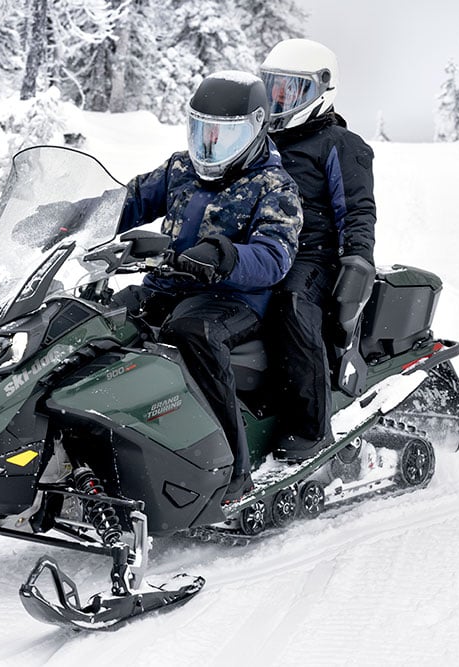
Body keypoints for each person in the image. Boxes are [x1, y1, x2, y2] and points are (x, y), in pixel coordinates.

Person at [116, 71, 303, 502]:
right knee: (103, 318)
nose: (210, 145)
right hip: (168, 286)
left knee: (190, 334)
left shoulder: (274, 185)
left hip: (232, 298)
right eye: (203, 131)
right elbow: (126, 202)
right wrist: (60, 220)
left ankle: (232, 473)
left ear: (256, 129)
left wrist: (224, 257)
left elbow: (274, 256)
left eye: (224, 135)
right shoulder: (180, 168)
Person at [258, 38, 378, 460]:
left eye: (289, 91)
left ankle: (311, 426)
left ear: (321, 92)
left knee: (291, 303)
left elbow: (358, 210)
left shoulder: (338, 144)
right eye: (272, 88)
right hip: (265, 247)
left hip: (315, 256)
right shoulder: (258, 141)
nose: (278, 100)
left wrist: (358, 261)